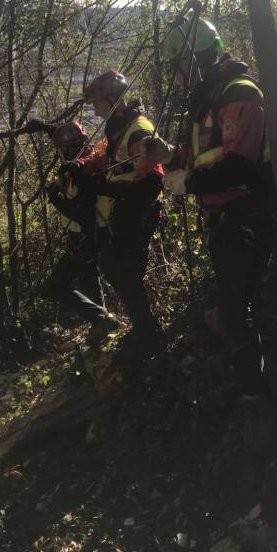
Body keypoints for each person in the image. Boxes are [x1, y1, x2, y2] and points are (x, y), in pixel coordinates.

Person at [153, 16, 276, 439]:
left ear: (196, 58)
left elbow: (239, 166)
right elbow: (194, 158)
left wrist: (190, 183)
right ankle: (248, 384)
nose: (177, 76)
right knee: (231, 303)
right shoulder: (206, 102)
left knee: (233, 305)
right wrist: (168, 159)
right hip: (221, 215)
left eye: (180, 66)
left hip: (249, 211)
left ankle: (256, 402)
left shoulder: (239, 95)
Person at [64, 69, 164, 357]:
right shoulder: (117, 129)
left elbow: (153, 179)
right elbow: (107, 159)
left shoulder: (138, 130)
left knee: (126, 273)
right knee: (113, 268)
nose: (94, 109)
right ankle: (144, 331)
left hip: (139, 212)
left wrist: (107, 190)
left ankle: (148, 337)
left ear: (112, 100)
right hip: (123, 214)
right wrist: (82, 167)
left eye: (97, 103)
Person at [44, 120, 118, 338]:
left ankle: (101, 319)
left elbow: (82, 212)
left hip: (87, 237)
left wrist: (54, 198)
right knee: (89, 280)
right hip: (85, 236)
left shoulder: (84, 170)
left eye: (69, 147)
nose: (67, 151)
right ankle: (100, 326)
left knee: (56, 284)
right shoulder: (82, 165)